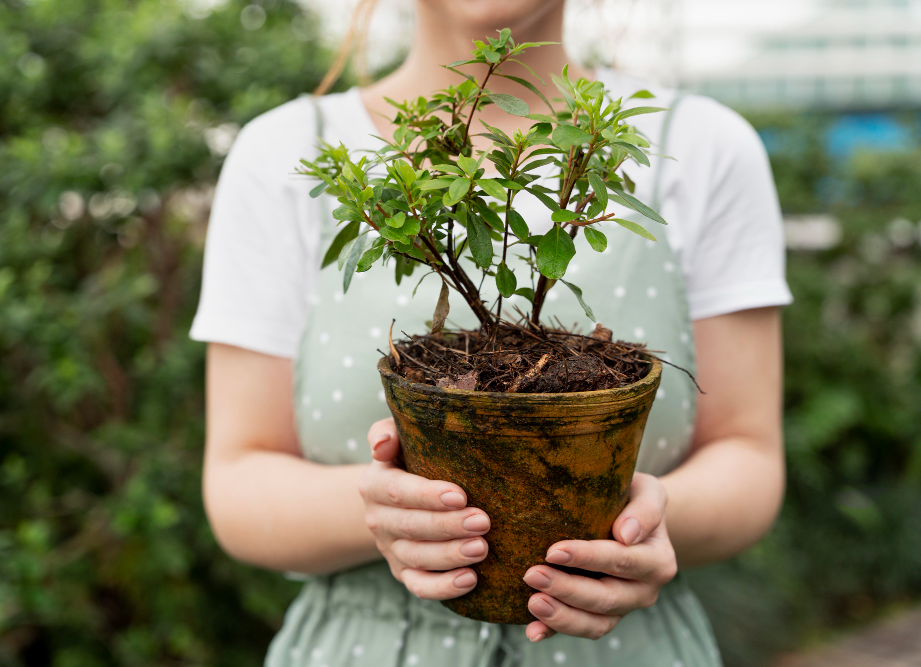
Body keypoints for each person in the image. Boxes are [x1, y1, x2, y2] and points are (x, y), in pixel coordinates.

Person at [189, 1, 791, 664]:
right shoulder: (283, 154)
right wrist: (383, 511)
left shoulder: (700, 145)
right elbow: (237, 480)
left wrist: (644, 521)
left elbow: (749, 455)